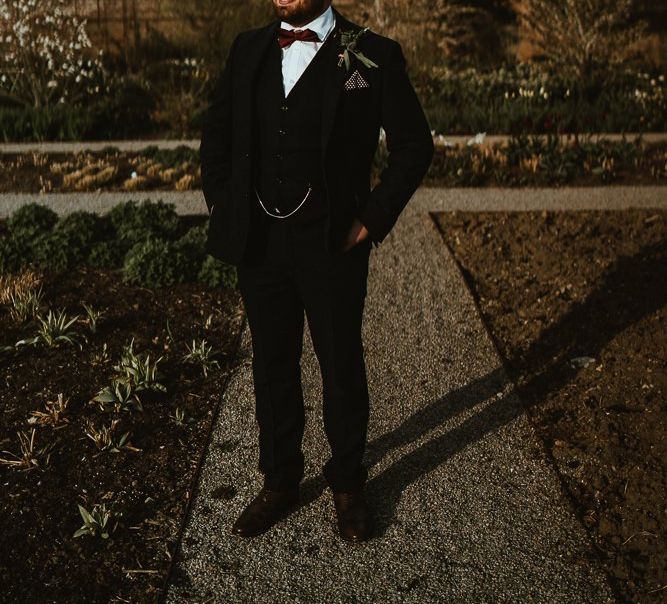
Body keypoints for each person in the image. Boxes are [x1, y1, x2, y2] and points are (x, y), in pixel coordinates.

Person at [200, 0, 434, 543]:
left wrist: (370, 221)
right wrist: (222, 202)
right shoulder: (248, 49)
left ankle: (349, 484)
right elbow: (216, 133)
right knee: (271, 364)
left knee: (341, 362)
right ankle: (280, 481)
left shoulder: (371, 54)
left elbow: (414, 145)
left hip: (331, 243)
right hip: (259, 242)